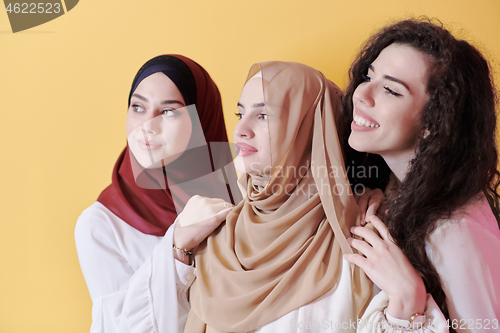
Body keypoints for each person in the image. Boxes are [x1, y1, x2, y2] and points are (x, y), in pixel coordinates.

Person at [171, 61, 375, 332]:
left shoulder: (361, 238)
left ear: (309, 130)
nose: (240, 130)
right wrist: (178, 251)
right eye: (239, 114)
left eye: (263, 115)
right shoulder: (214, 232)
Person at [340, 19, 500, 332]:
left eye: (390, 89)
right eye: (367, 76)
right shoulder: (396, 196)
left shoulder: (454, 232)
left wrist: (406, 300)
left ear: (435, 121)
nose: (361, 94)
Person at [75, 54, 239, 332]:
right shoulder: (102, 225)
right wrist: (178, 245)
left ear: (202, 119)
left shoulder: (242, 203)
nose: (146, 126)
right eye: (138, 107)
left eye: (168, 111)